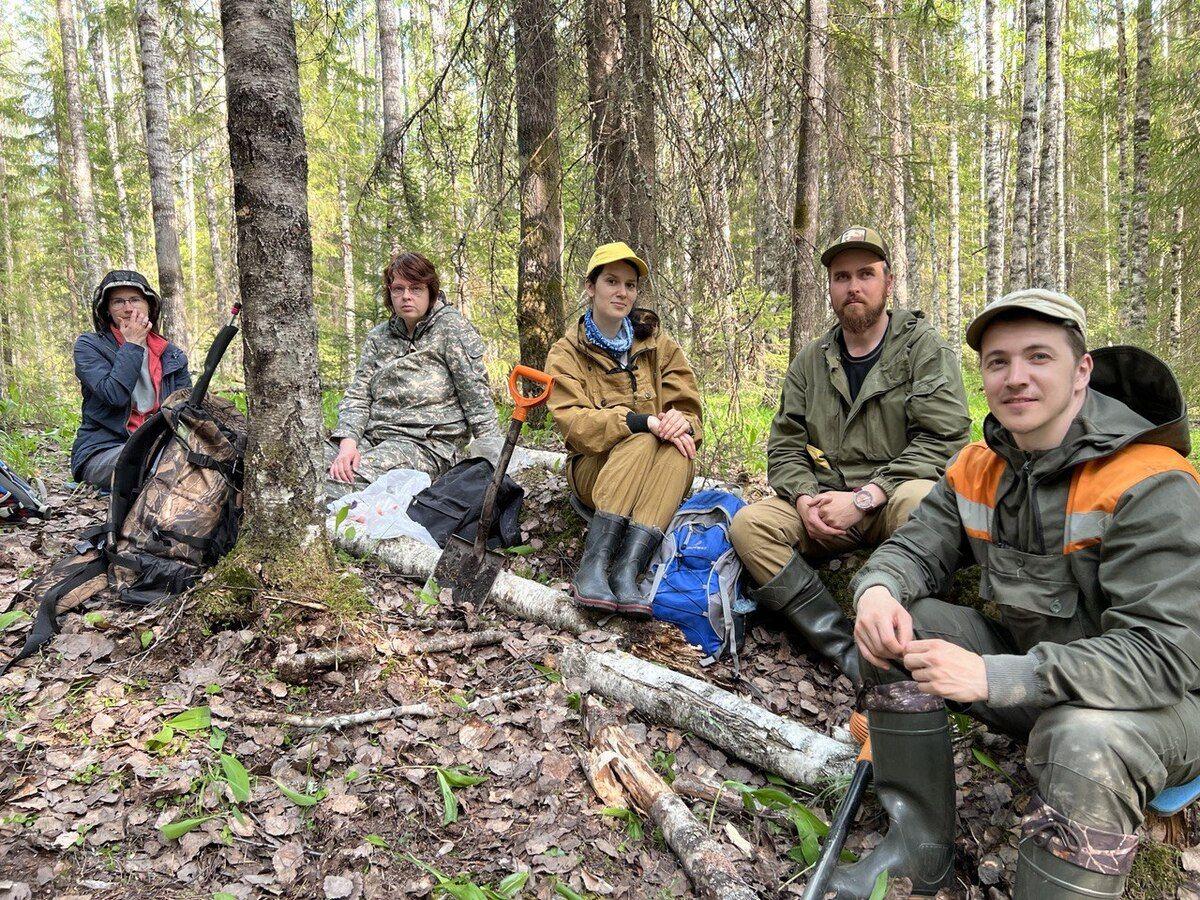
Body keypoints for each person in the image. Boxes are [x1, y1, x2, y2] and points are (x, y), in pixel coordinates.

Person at [823, 289, 1200, 899]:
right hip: (1042, 676)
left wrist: (997, 677)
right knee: (897, 626)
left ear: (1081, 371)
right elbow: (916, 546)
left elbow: (1165, 656)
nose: (1016, 379)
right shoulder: (980, 466)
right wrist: (877, 590)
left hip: (1167, 708)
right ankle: (916, 856)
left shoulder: (1151, 480)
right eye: (998, 362)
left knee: (1083, 739)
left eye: (1038, 358)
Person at [729, 226, 970, 683]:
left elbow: (945, 440)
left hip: (891, 498)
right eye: (842, 277)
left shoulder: (924, 349)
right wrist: (802, 498)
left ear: (888, 282)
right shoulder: (811, 361)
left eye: (865, 274)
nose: (853, 287)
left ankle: (911, 640)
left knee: (923, 504)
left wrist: (868, 495)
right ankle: (842, 646)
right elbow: (785, 444)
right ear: (831, 288)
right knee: (749, 525)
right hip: (825, 505)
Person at [546, 242, 703, 617]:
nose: (622, 292)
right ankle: (593, 566)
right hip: (594, 469)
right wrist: (637, 421)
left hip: (653, 470)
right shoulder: (566, 352)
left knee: (678, 453)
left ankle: (627, 570)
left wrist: (683, 421)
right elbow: (574, 424)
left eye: (630, 285)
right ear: (591, 287)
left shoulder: (658, 346)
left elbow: (689, 410)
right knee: (639, 442)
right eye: (611, 281)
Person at [327, 251, 501, 498]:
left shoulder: (451, 329)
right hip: (372, 438)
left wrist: (495, 465)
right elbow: (358, 397)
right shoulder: (379, 337)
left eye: (416, 288)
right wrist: (348, 445)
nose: (406, 296)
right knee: (304, 467)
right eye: (398, 289)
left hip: (424, 445)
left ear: (430, 291)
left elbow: (477, 399)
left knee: (340, 482)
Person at [71, 270, 191, 490]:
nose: (128, 308)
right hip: (104, 451)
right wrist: (133, 344)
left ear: (149, 305)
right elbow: (114, 395)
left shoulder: (171, 355)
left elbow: (185, 410)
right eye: (118, 302)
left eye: (135, 300)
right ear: (106, 310)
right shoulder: (89, 346)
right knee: (160, 464)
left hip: (162, 447)